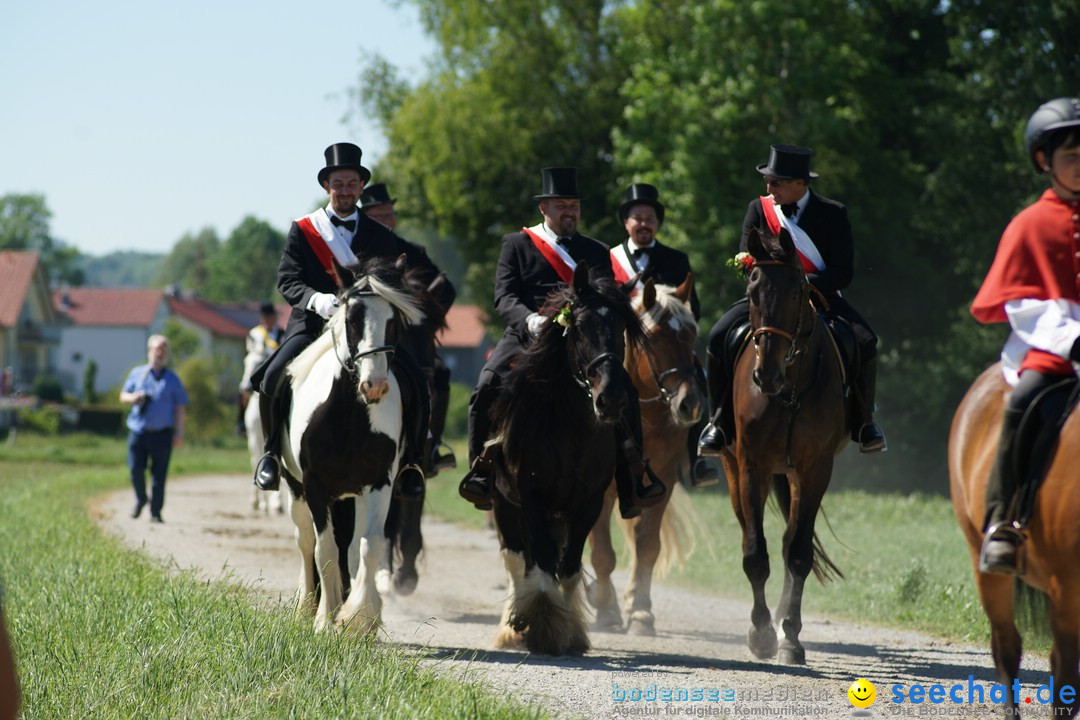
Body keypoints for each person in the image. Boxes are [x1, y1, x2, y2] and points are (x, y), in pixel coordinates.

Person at [457, 167, 666, 518]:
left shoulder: (597, 251)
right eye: (561, 205)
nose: (569, 212)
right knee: (487, 384)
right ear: (544, 209)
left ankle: (632, 478)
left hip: (584, 338)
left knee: (625, 390)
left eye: (574, 205)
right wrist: (530, 319)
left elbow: (605, 297)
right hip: (530, 334)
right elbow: (504, 296)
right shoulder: (516, 244)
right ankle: (482, 471)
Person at [251, 143, 442, 499]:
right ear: (327, 186)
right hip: (312, 325)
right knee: (271, 376)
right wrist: (316, 300)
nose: (345, 190)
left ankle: (413, 462)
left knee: (417, 381)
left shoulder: (381, 236)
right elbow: (287, 280)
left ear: (360, 188)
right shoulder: (304, 230)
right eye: (338, 183)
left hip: (369, 330)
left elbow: (393, 286)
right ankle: (271, 454)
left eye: (352, 183)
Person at [699, 144, 887, 456]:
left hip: (821, 297)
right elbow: (747, 261)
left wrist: (803, 286)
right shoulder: (758, 210)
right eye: (768, 181)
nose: (768, 188)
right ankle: (718, 421)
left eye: (775, 182)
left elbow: (843, 272)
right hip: (767, 300)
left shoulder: (834, 214)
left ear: (799, 184)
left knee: (866, 340)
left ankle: (864, 421)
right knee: (719, 336)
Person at [970, 97, 1080, 575]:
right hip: (1053, 349)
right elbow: (1022, 303)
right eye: (1072, 157)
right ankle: (1003, 523)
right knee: (1022, 403)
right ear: (1044, 161)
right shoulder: (1028, 225)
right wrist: (1072, 340)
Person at [610, 183, 718, 488]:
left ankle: (698, 461)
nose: (644, 224)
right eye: (638, 217)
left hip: (665, 344)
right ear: (626, 223)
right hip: (623, 344)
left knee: (699, 379)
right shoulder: (608, 259)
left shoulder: (676, 259)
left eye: (649, 218)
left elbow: (691, 306)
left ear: (657, 224)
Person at [361, 182, 458, 471]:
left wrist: (420, 314)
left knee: (440, 372)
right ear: (365, 218)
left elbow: (447, 291)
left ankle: (432, 446)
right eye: (380, 215)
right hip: (366, 343)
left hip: (410, 344)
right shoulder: (356, 251)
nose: (388, 221)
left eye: (390, 214)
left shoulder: (412, 251)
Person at [119, 335, 188, 523]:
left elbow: (180, 407)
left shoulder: (173, 379)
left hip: (163, 432)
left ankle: (156, 512)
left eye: (164, 348)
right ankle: (141, 499)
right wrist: (134, 398)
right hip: (138, 431)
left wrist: (179, 432)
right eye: (158, 348)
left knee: (159, 474)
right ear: (149, 351)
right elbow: (123, 396)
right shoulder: (137, 374)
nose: (161, 352)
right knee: (135, 469)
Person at [237, 302, 283, 435]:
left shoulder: (282, 333)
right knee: (244, 385)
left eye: (269, 317)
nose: (267, 320)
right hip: (258, 363)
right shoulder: (254, 333)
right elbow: (251, 349)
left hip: (274, 363)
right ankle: (240, 419)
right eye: (265, 317)